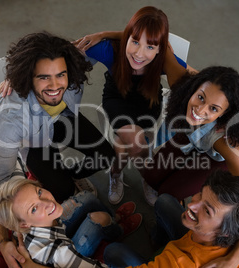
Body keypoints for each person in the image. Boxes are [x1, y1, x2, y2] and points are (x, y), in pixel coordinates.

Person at [0, 32, 116, 268]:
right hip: (32, 140)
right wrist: (2, 242)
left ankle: (73, 176)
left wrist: (105, 35)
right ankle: (68, 184)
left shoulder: (74, 63)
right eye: (44, 78)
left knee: (105, 156)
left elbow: (129, 44)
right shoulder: (11, 117)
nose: (56, 85)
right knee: (61, 191)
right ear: (28, 78)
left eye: (61, 75)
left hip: (63, 119)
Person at [73, 6, 196, 206]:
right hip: (117, 102)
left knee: (122, 149)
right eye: (135, 42)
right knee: (138, 143)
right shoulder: (110, 49)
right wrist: (18, 75)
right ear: (127, 38)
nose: (139, 54)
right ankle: (147, 177)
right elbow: (63, 54)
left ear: (159, 49)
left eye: (150, 47)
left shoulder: (164, 59)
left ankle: (116, 172)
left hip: (149, 106)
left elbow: (198, 77)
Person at [141, 65, 239, 202]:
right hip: (191, 137)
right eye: (201, 97)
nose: (200, 110)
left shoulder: (222, 141)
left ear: (225, 113)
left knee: (168, 193)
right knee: (150, 175)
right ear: (195, 87)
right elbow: (168, 55)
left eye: (214, 108)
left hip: (213, 159)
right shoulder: (186, 89)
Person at [103, 170, 239, 268]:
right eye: (201, 194)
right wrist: (234, 256)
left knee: (113, 251)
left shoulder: (181, 262)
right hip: (199, 241)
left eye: (207, 211)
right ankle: (157, 240)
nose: (191, 205)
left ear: (226, 233)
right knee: (165, 201)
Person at [0, 176, 142, 268]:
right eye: (34, 209)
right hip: (65, 254)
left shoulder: (23, 220)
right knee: (100, 221)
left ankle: (113, 220)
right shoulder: (61, 255)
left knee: (86, 197)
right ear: (23, 225)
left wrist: (3, 242)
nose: (48, 202)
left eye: (39, 192)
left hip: (55, 229)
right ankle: (118, 231)